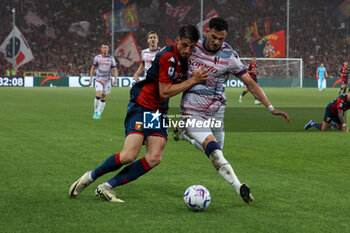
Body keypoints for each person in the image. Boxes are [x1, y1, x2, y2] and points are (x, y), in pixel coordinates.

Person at [69, 25, 209, 202]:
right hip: (142, 104)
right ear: (177, 41)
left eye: (191, 47)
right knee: (128, 155)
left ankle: (107, 186)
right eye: (184, 45)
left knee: (154, 157)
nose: (187, 50)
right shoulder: (167, 57)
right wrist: (193, 80)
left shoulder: (188, 58)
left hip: (158, 110)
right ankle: (90, 177)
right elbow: (164, 91)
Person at [173, 17, 290, 204]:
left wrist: (271, 108)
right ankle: (239, 186)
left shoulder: (229, 56)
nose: (216, 42)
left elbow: (250, 83)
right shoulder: (192, 48)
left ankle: (185, 135)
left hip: (216, 111)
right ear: (207, 31)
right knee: (215, 152)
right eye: (213, 37)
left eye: (220, 38)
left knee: (216, 149)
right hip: (191, 110)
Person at [89, 44, 118, 120]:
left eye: (106, 48)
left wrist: (115, 79)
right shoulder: (97, 58)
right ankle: (95, 112)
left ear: (108, 49)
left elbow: (115, 69)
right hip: (99, 79)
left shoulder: (111, 58)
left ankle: (99, 113)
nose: (105, 49)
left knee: (103, 98)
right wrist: (91, 78)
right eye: (103, 48)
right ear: (101, 49)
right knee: (98, 94)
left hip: (107, 81)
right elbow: (93, 68)